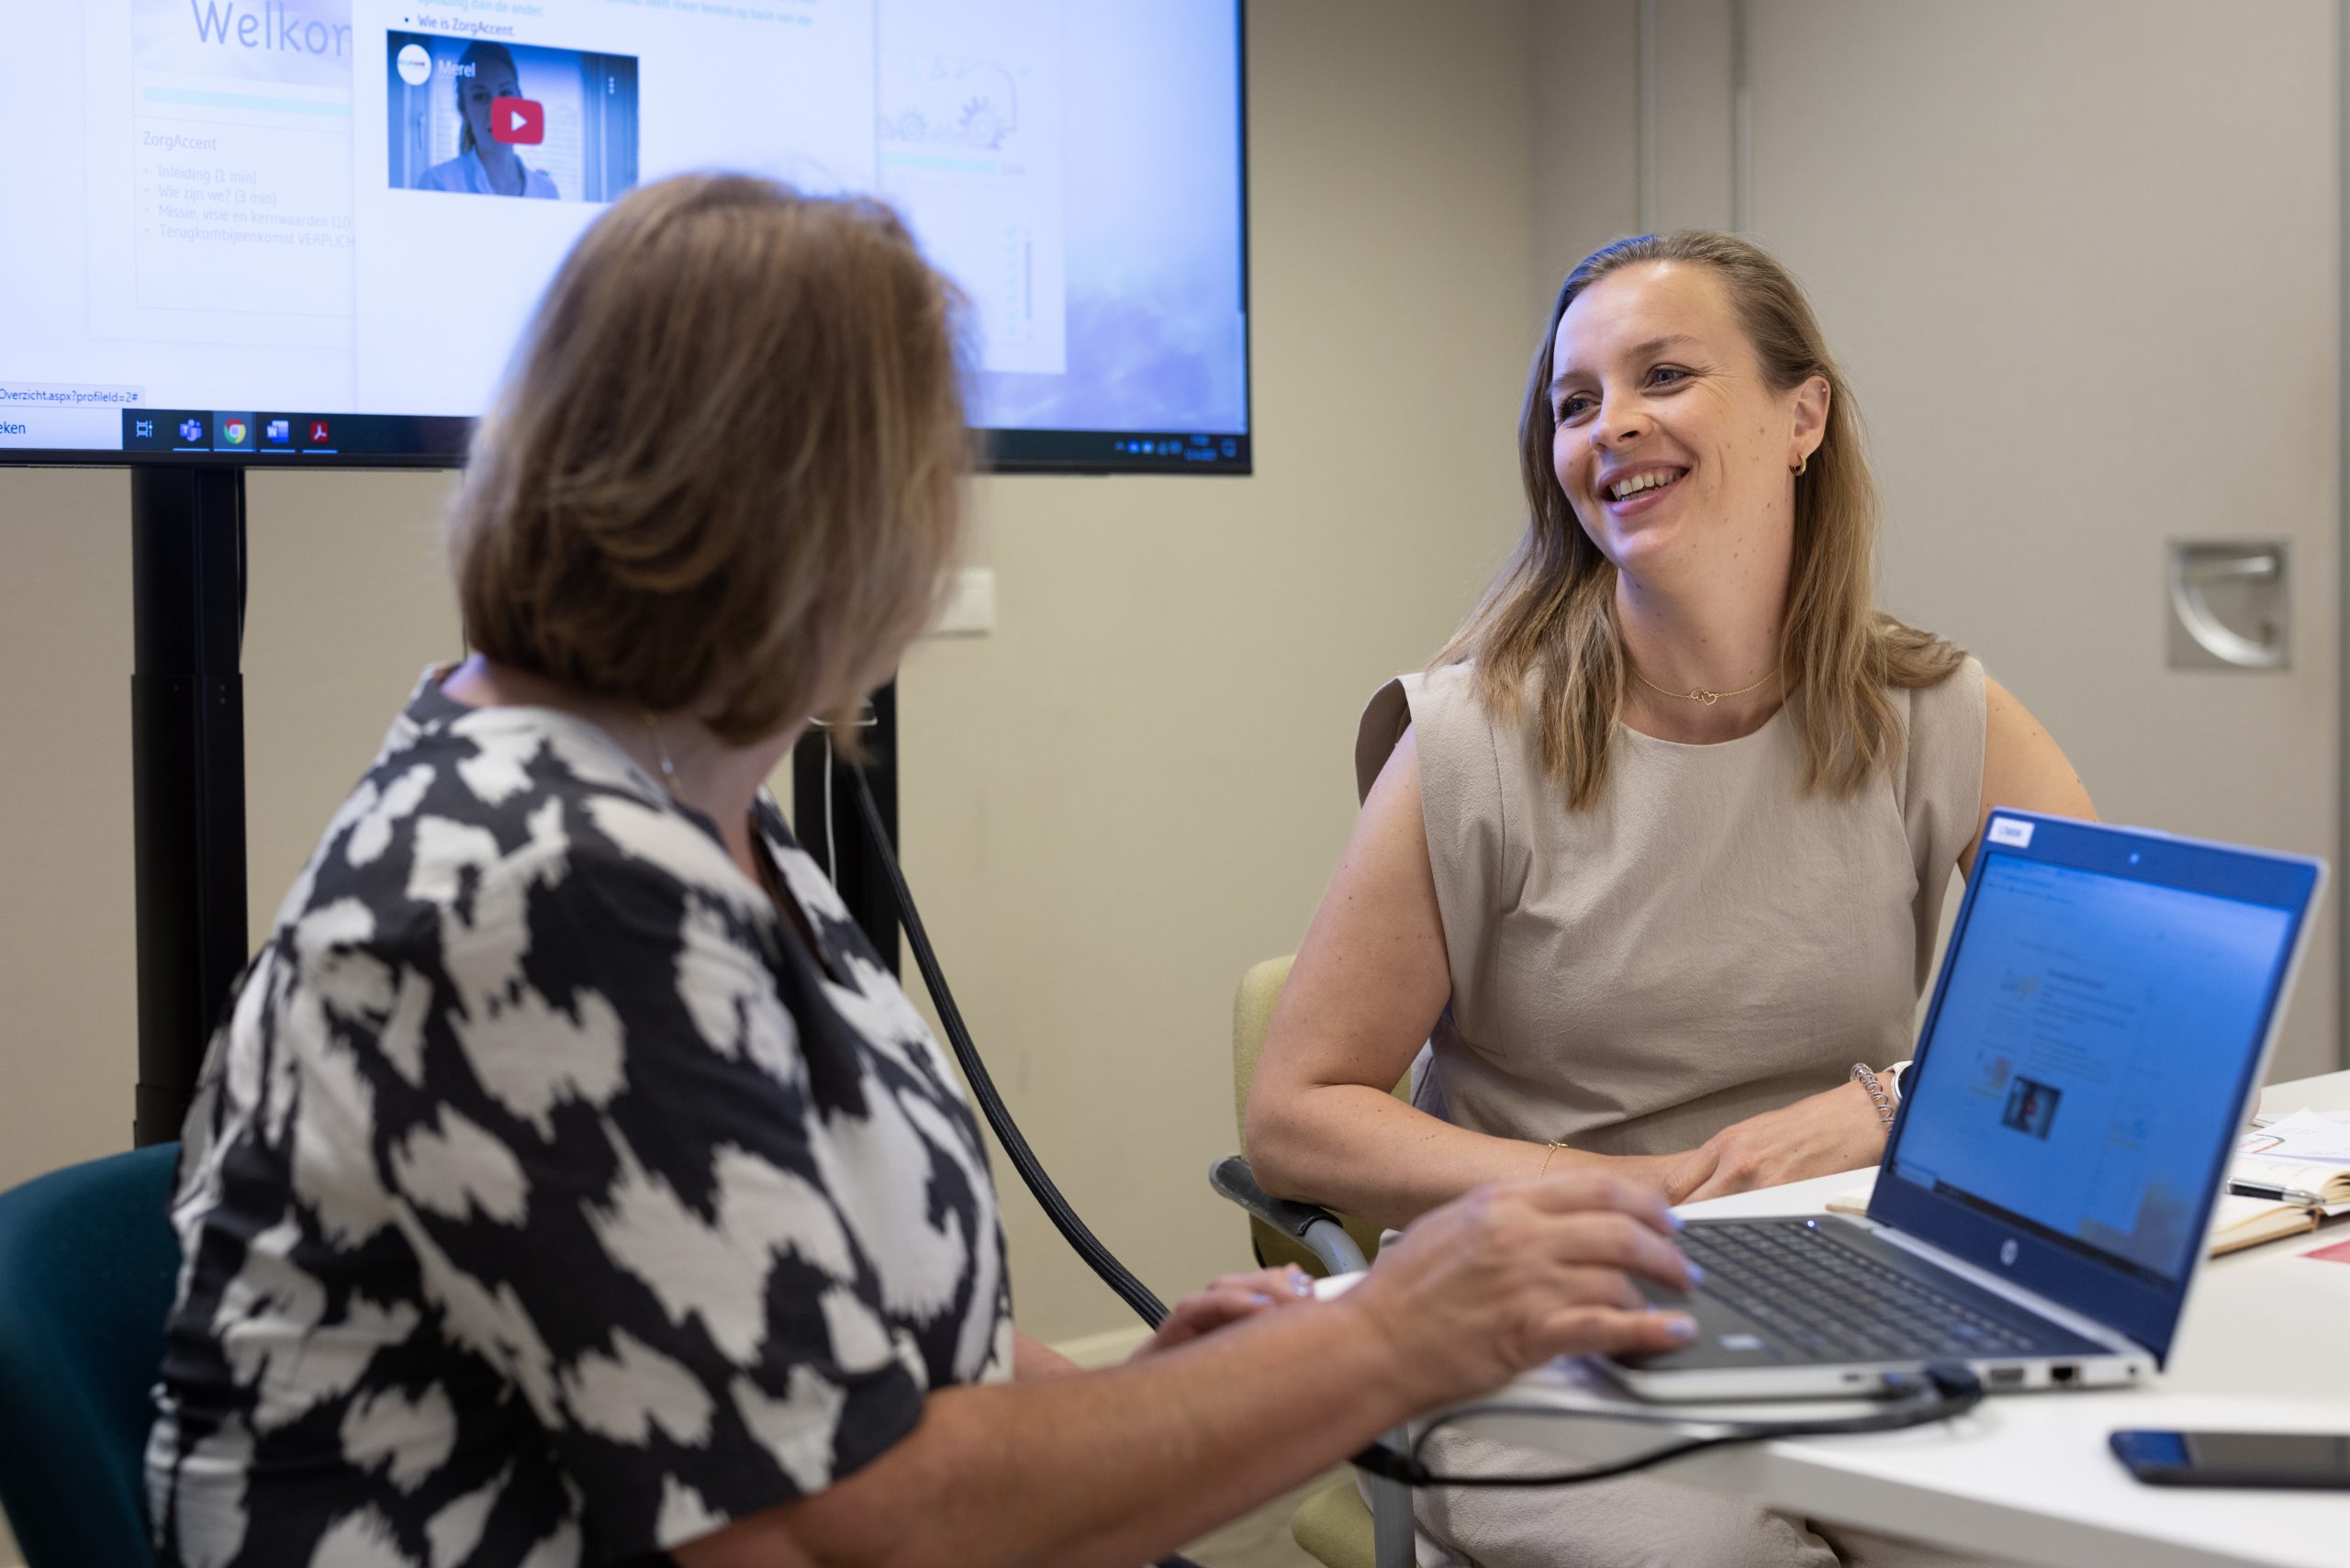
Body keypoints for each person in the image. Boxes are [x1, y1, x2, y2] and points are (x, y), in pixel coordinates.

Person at [143, 175, 1707, 1568]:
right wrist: (1394, 1334)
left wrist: (1141, 1399)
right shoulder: (545, 880)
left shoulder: (695, 810)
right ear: (807, 514)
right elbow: (859, 1518)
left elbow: (833, 1334)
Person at [1243, 230, 2095, 1566]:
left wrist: (1877, 1105)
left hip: (1845, 1279)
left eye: (1664, 375)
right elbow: (1297, 1113)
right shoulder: (1470, 739)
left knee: (2042, 1538)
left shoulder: (1934, 713)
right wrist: (1605, 1190)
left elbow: (2104, 1029)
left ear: (1802, 414)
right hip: (1552, 1303)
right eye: (1575, 403)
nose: (1612, 426)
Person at [418, 40, 560, 198]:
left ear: (520, 99)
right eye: (480, 96)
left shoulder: (547, 192)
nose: (495, 110)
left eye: (505, 92)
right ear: (464, 109)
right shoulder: (437, 184)